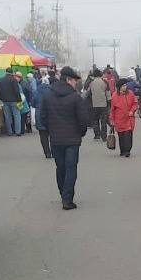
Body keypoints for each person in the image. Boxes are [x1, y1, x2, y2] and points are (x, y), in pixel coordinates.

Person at [39, 66, 90, 210]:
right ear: (68, 80)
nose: (76, 83)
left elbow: (42, 117)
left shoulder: (48, 95)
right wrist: (81, 132)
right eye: (74, 81)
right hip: (72, 140)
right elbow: (83, 119)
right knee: (71, 168)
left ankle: (63, 193)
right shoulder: (75, 97)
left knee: (60, 167)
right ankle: (67, 199)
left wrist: (51, 130)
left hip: (55, 139)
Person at [110, 80, 139, 157]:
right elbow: (112, 109)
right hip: (119, 119)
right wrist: (112, 120)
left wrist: (132, 111)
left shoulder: (131, 93)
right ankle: (122, 150)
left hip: (129, 119)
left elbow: (135, 104)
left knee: (128, 136)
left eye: (125, 85)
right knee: (121, 136)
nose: (125, 87)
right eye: (123, 86)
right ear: (119, 87)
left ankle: (127, 150)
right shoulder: (114, 96)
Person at [0, 67, 23, 136]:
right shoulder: (14, 80)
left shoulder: (0, 80)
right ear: (12, 73)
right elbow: (17, 91)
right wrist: (19, 100)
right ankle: (18, 132)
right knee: (17, 116)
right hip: (14, 101)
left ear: (6, 72)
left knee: (7, 116)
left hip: (5, 101)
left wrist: (1, 99)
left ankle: (10, 132)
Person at [33, 70, 53, 159]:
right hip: (50, 114)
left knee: (43, 135)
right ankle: (54, 151)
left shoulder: (36, 91)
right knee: (52, 135)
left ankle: (47, 153)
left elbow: (33, 103)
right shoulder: (52, 91)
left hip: (39, 114)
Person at [87, 68, 110, 140]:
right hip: (103, 104)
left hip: (94, 104)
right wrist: (109, 102)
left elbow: (87, 92)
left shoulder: (91, 83)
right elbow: (108, 94)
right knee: (103, 120)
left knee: (95, 120)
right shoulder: (104, 82)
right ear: (100, 74)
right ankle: (104, 136)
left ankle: (97, 135)